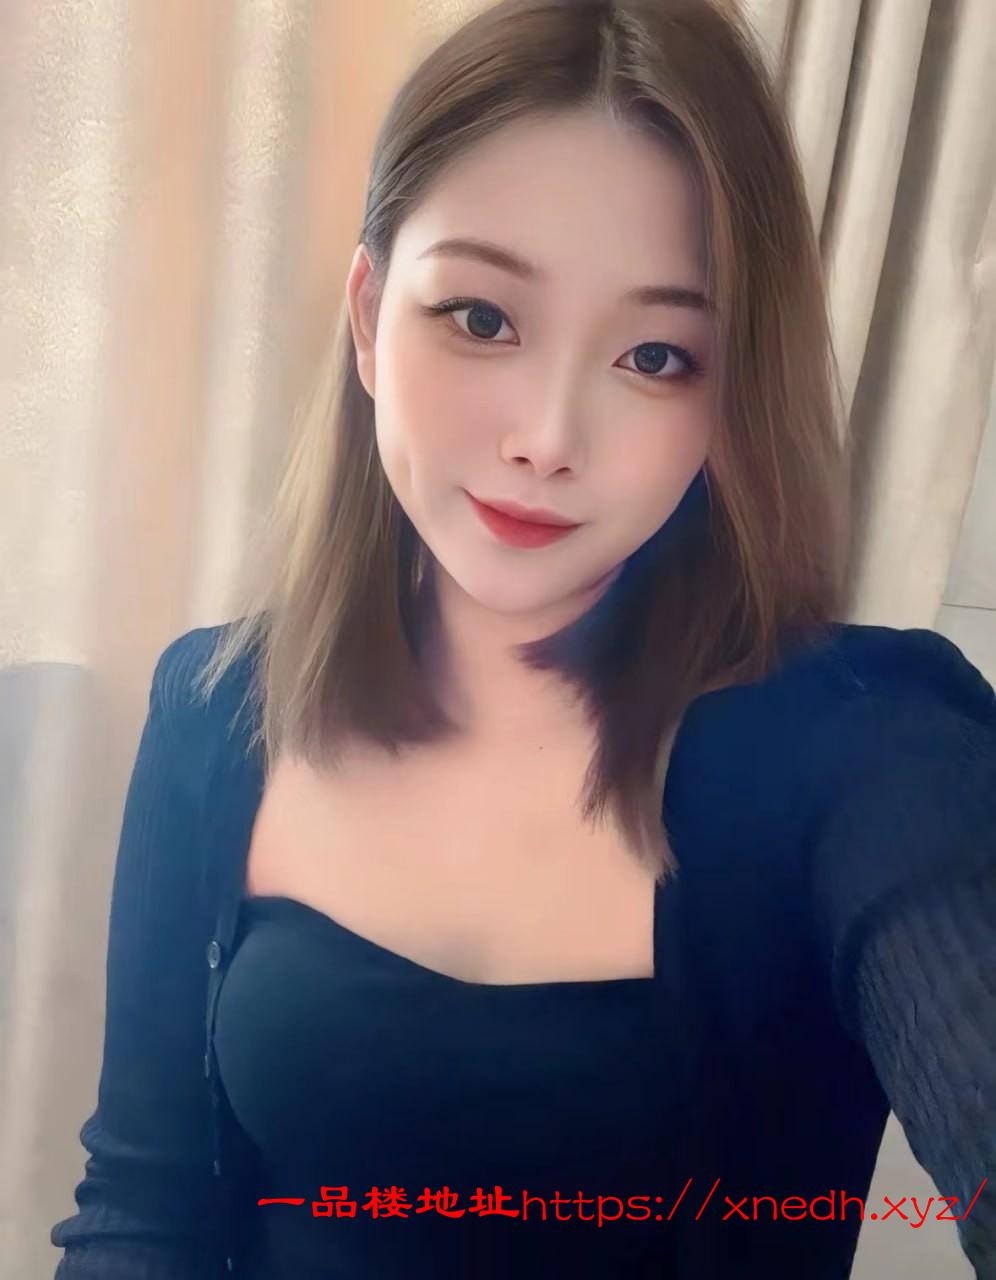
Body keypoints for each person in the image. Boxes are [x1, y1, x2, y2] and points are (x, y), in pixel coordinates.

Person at [50, 0, 996, 1276]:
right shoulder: (219, 709)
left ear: (730, 394)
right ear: (370, 316)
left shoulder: (863, 749)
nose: (548, 437)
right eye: (482, 317)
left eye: (654, 354)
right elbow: (142, 1205)